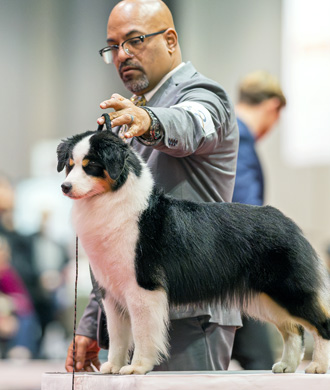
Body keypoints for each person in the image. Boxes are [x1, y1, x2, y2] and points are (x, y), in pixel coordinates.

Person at [65, 0, 241, 373]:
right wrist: (92, 323)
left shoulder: (205, 95)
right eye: (113, 46)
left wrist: (148, 119)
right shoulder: (125, 115)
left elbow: (190, 124)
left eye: (135, 40)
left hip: (191, 315)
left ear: (171, 40)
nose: (122, 55)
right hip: (128, 314)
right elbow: (114, 244)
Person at [231, 70, 286, 369]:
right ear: (273, 107)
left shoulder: (224, 130)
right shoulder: (242, 142)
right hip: (236, 284)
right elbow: (247, 220)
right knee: (262, 367)